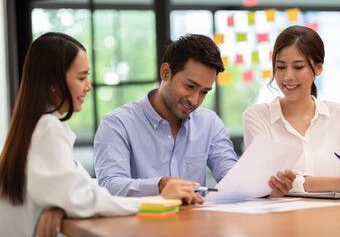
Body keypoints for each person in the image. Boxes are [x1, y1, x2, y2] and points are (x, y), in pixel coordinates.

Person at [0, 32, 200, 237]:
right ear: (53, 81)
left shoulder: (32, 127)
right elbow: (79, 199)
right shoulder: (48, 129)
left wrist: (62, 206)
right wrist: (160, 201)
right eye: (81, 77)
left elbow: (71, 191)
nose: (88, 86)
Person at [94, 34, 295, 202]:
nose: (194, 100)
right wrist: (161, 185)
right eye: (189, 86)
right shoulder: (117, 124)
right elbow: (111, 185)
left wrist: (266, 189)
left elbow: (231, 178)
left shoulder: (209, 123)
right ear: (166, 72)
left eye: (204, 92)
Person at [243, 25, 340, 193]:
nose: (288, 76)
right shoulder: (257, 117)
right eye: (281, 67)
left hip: (338, 218)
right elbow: (270, 181)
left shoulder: (339, 115)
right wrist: (337, 183)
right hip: (285, 219)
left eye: (298, 67)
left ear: (318, 68)